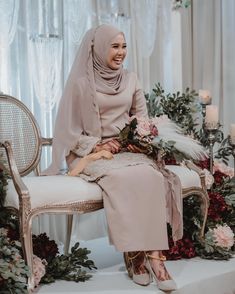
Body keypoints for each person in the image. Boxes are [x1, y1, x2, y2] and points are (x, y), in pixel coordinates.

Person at [45, 24, 183, 291]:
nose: (121, 53)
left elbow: (142, 119)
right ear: (97, 49)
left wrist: (138, 139)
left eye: (124, 46)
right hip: (93, 153)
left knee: (151, 174)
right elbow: (67, 131)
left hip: (127, 151)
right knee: (125, 176)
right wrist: (97, 143)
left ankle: (155, 259)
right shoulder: (82, 83)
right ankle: (134, 255)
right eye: (115, 46)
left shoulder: (130, 79)